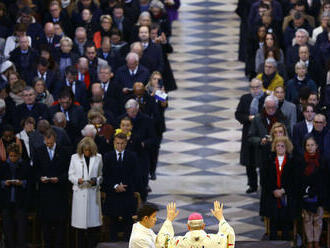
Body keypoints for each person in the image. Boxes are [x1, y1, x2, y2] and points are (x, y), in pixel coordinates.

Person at [33, 129, 70, 248]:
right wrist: (40, 178)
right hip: (45, 194)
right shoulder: (39, 151)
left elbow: (68, 171)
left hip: (59, 192)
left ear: (55, 139)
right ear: (44, 140)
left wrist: (59, 178)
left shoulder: (63, 151)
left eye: (51, 143)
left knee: (60, 223)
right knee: (46, 223)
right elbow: (35, 170)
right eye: (47, 143)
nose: (49, 145)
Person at [102, 132, 139, 241]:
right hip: (112, 193)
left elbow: (135, 175)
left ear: (126, 143)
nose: (120, 146)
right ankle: (113, 240)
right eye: (118, 143)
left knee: (128, 219)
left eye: (122, 143)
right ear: (114, 143)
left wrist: (124, 186)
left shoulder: (132, 156)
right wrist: (115, 186)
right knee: (113, 219)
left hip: (127, 192)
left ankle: (127, 240)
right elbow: (105, 175)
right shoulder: (107, 157)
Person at [68, 137, 103, 248]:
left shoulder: (98, 157)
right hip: (80, 193)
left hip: (92, 193)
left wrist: (96, 181)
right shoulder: (74, 158)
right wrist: (77, 180)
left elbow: (101, 175)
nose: (87, 152)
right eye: (85, 150)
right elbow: (70, 175)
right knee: (80, 228)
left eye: (89, 150)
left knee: (93, 227)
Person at [156, 201, 235, 248]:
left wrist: (168, 220)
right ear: (203, 226)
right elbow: (229, 236)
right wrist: (221, 218)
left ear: (188, 226)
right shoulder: (216, 240)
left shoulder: (178, 242)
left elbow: (162, 242)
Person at [235, 78, 266, 193]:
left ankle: (264, 184)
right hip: (248, 132)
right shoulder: (245, 98)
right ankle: (252, 184)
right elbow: (238, 114)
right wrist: (248, 118)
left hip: (262, 132)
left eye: (257, 87)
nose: (255, 90)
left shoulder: (266, 99)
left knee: (263, 160)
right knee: (249, 161)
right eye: (253, 87)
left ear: (261, 87)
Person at [264, 136, 296, 240]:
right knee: (273, 220)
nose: (280, 148)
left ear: (286, 147)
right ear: (275, 147)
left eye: (283, 146)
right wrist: (274, 190)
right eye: (278, 145)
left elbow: (294, 180)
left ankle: (286, 241)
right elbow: (265, 179)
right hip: (272, 195)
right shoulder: (269, 161)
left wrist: (283, 190)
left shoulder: (291, 161)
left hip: (287, 195)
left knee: (285, 220)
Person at [0, 143, 31, 248]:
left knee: (21, 228)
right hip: (6, 201)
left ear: (19, 155)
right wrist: (4, 183)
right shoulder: (3, 166)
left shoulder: (25, 166)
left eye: (15, 156)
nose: (12, 158)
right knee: (8, 228)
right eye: (11, 156)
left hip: (21, 201)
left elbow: (30, 182)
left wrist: (22, 183)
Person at [297, 135, 325, 248]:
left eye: (312, 145)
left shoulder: (322, 160)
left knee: (318, 219)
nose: (310, 147)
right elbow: (299, 179)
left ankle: (316, 241)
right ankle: (309, 241)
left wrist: (316, 191)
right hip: (305, 195)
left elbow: (325, 179)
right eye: (307, 145)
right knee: (307, 219)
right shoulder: (301, 160)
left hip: (320, 195)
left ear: (316, 146)